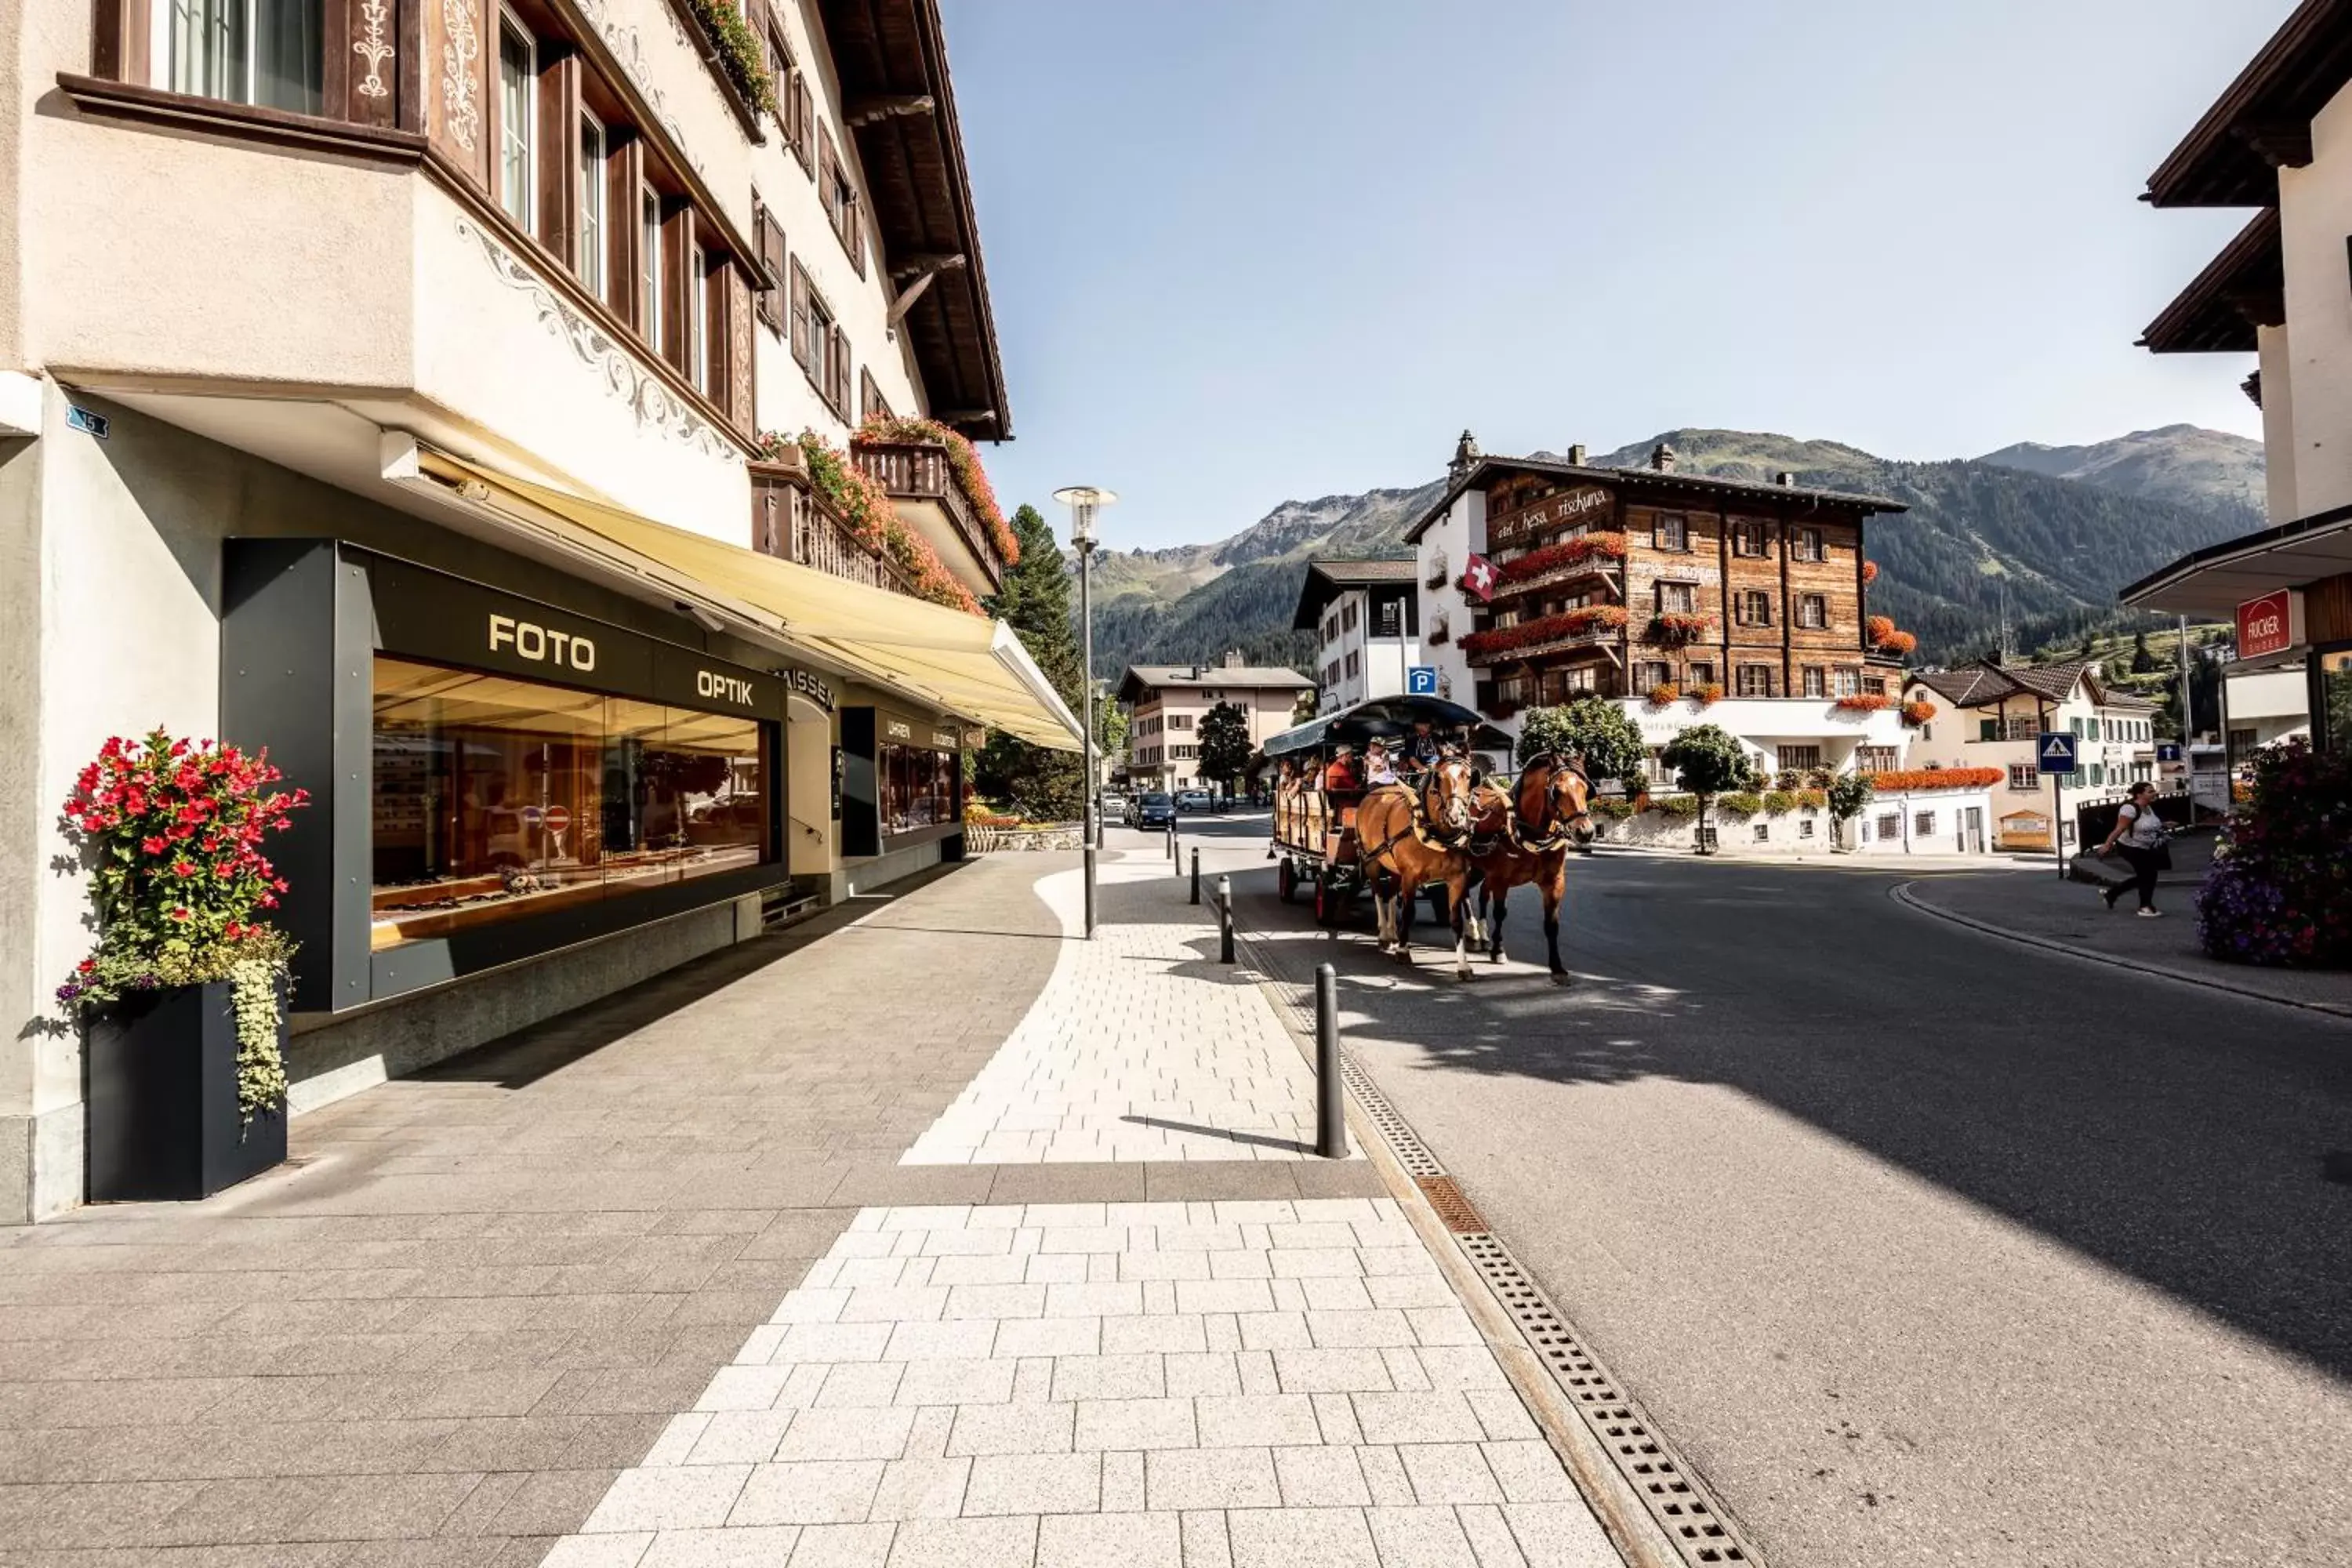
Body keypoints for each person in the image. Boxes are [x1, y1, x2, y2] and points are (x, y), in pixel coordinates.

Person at [2098, 781, 2170, 917]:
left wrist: (2165, 825)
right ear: (2139, 794)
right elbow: (2120, 828)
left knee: (2147, 875)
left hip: (2146, 847)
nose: (2154, 793)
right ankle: (2145, 906)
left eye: (2153, 790)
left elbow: (2149, 825)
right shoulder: (2130, 809)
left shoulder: (2148, 808)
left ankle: (2112, 894)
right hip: (2129, 847)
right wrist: (2108, 844)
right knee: (2148, 874)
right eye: (2150, 791)